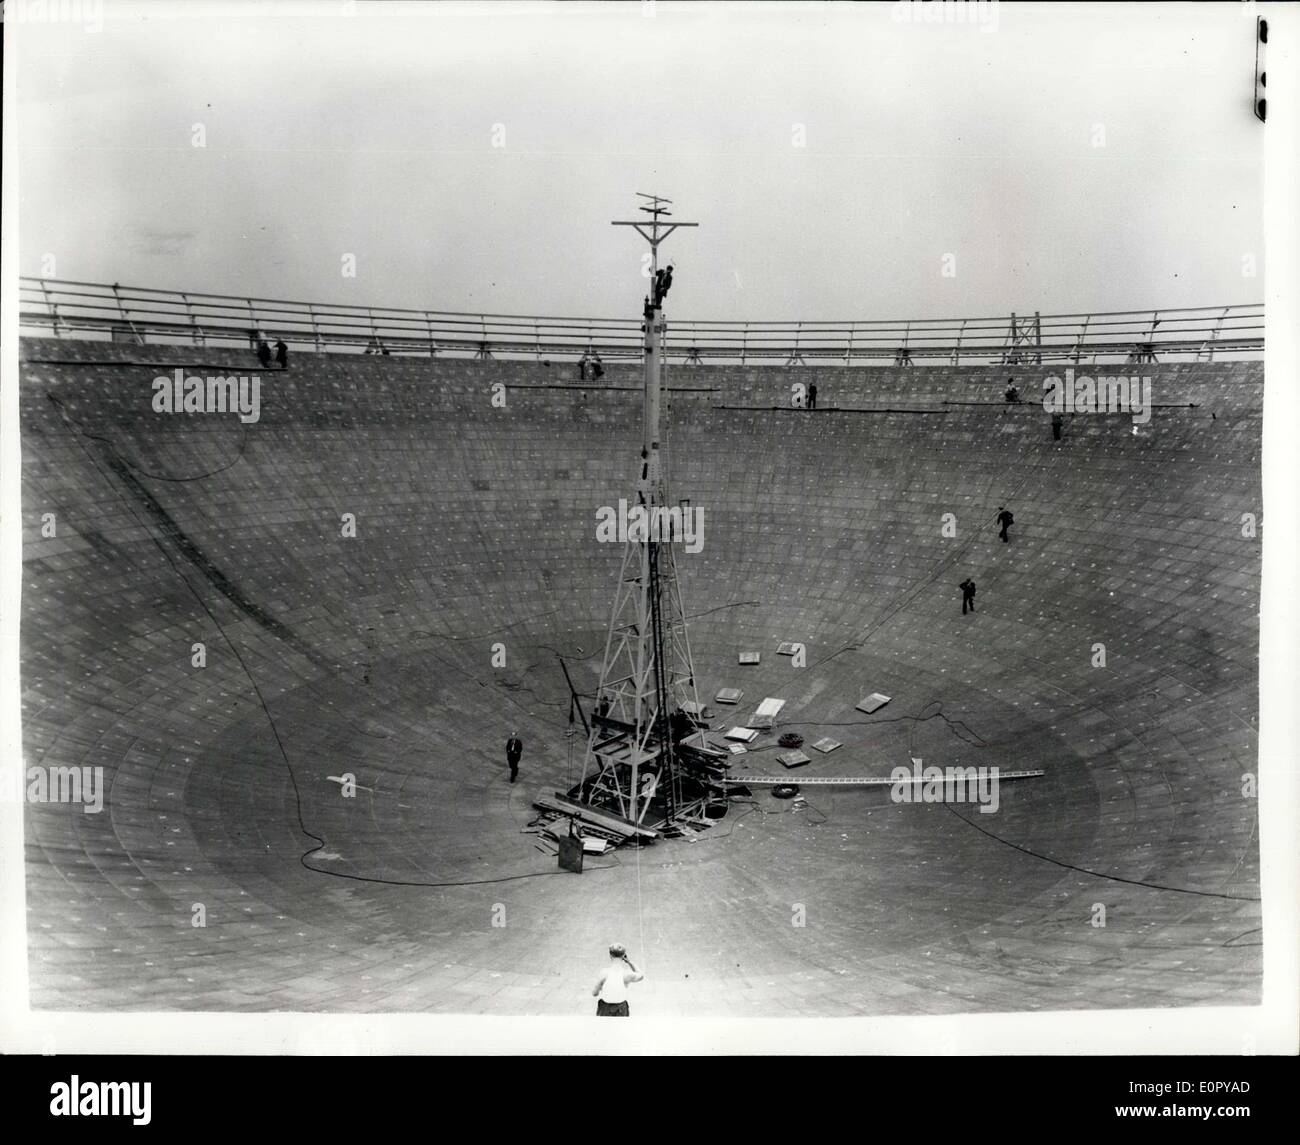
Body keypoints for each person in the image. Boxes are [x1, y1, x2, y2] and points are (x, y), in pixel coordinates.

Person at [592, 944, 643, 1016]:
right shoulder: (626, 974)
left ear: (610, 956)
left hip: (605, 1009)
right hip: (621, 1010)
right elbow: (641, 975)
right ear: (623, 956)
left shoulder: (604, 973)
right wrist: (629, 962)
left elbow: (594, 993)